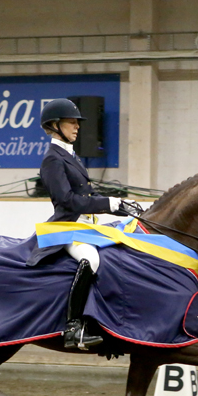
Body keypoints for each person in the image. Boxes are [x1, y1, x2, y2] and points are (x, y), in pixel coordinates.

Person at [37, 98, 123, 350]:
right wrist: (107, 204)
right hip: (67, 226)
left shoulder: (70, 156)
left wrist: (119, 204)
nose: (77, 127)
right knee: (91, 259)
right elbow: (68, 201)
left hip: (86, 226)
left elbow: (86, 196)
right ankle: (73, 327)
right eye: (71, 123)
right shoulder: (52, 159)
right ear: (54, 125)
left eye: (77, 123)